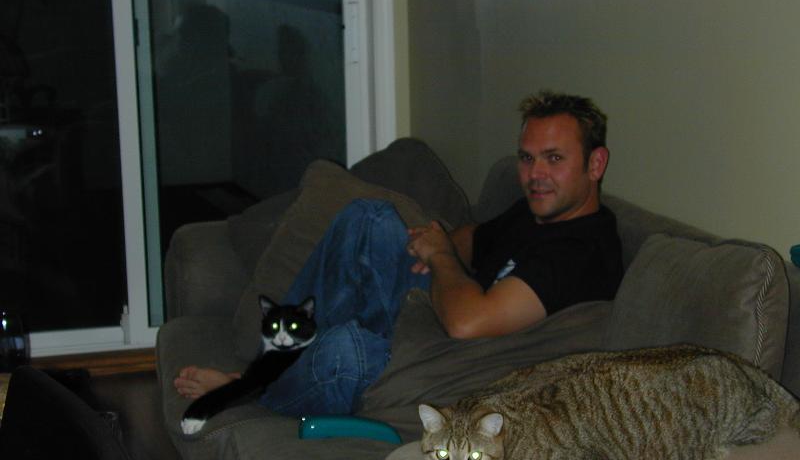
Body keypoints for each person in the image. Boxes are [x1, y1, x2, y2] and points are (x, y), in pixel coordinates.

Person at [175, 90, 623, 416]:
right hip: (437, 312)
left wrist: (441, 260)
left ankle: (254, 388)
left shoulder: (581, 250)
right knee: (369, 217)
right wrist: (435, 250)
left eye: (554, 159)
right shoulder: (536, 212)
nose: (535, 174)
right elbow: (470, 237)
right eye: (526, 158)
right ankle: (269, 365)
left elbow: (468, 325)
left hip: (454, 362)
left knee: (348, 349)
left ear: (595, 163)